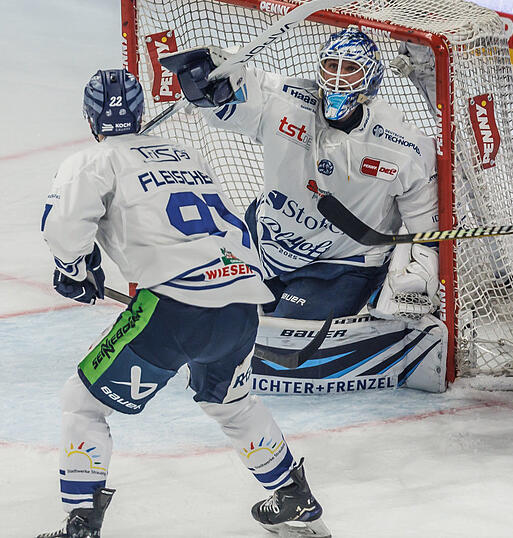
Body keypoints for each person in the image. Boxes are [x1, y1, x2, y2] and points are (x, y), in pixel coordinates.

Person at [37, 69, 330, 537]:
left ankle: (81, 524)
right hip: (240, 304)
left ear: (90, 118)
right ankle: (292, 495)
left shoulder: (94, 159)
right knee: (232, 403)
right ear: (140, 112)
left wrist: (74, 271)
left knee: (82, 404)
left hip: (174, 309)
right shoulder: (186, 155)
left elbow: (63, 229)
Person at [161, 26, 440, 322]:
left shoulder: (404, 146)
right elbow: (243, 93)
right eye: (332, 65)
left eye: (351, 69)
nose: (337, 78)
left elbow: (425, 226)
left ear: (370, 79)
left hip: (341, 264)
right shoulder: (286, 101)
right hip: (268, 241)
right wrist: (214, 83)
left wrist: (419, 268)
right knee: (213, 324)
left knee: (281, 344)